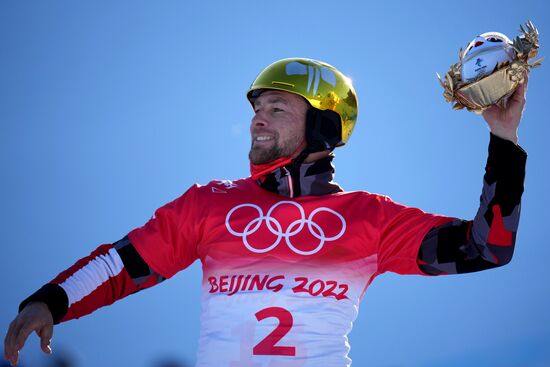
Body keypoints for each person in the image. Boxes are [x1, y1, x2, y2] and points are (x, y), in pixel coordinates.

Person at [4, 58, 527, 367]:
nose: (257, 120)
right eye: (256, 110)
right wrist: (51, 301)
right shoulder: (209, 202)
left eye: (277, 108)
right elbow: (124, 264)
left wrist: (503, 141)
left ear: (324, 127)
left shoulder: (371, 218)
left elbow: (487, 247)